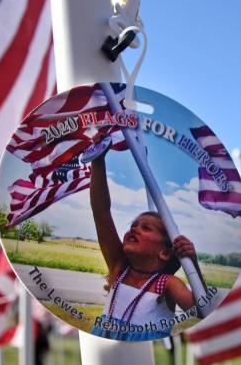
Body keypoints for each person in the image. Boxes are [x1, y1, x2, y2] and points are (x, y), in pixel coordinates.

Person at [87, 132, 203, 341]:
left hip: (141, 354)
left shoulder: (167, 283)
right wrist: (97, 160)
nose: (135, 229)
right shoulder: (118, 269)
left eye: (146, 228)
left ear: (164, 253)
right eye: (133, 225)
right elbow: (101, 212)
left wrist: (193, 263)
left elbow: (199, 309)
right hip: (104, 348)